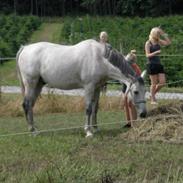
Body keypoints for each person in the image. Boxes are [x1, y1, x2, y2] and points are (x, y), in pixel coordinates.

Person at [145, 27, 171, 104]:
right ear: (153, 34)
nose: (158, 35)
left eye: (159, 34)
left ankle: (152, 95)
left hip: (158, 64)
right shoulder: (148, 43)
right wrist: (155, 53)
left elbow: (168, 43)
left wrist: (164, 34)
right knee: (154, 83)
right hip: (151, 64)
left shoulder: (158, 41)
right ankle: (152, 99)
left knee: (162, 82)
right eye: (158, 34)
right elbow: (147, 55)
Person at [122, 50, 142, 127]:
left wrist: (127, 93)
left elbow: (133, 82)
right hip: (125, 84)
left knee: (131, 104)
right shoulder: (124, 64)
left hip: (134, 86)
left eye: (129, 63)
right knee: (126, 104)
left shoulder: (135, 68)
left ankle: (134, 123)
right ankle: (129, 123)